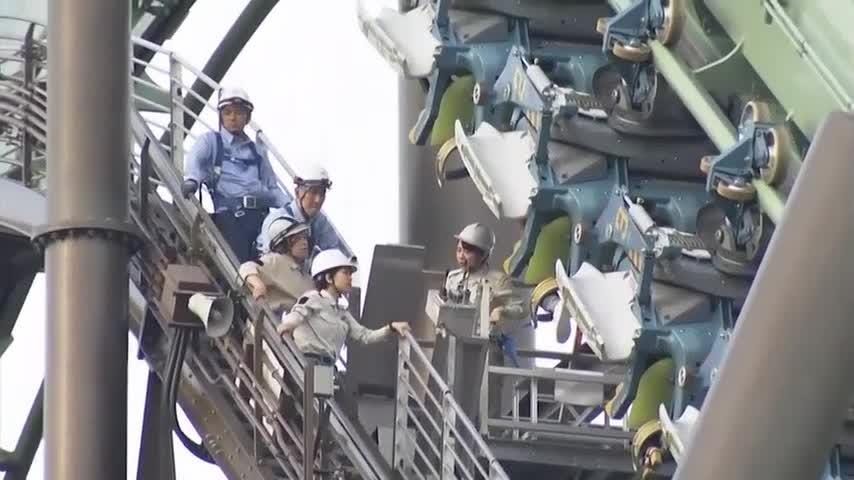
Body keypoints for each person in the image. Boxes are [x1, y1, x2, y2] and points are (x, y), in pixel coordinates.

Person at [181, 86, 290, 262]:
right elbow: (196, 162)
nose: (232, 117)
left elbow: (272, 187)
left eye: (239, 113)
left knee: (271, 263)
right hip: (231, 217)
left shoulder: (258, 152)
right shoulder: (211, 141)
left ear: (247, 117)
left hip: (261, 217)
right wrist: (192, 180)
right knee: (242, 264)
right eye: (227, 112)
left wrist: (292, 208)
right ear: (221, 115)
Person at [278, 249, 409, 358]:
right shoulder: (313, 298)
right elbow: (297, 314)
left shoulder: (342, 313)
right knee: (310, 389)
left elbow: (364, 336)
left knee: (321, 389)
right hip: (306, 364)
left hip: (326, 367)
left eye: (350, 273)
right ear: (329, 278)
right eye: (345, 273)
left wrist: (390, 328)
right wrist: (287, 326)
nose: (350, 277)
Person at [258, 164, 348, 260]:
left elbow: (334, 251)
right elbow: (269, 261)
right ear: (297, 193)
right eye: (313, 192)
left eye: (322, 193)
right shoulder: (277, 220)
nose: (318, 200)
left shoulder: (319, 221)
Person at [238, 216, 313, 315]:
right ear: (283, 243)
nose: (304, 242)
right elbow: (247, 267)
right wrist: (258, 285)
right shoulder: (276, 260)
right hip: (273, 323)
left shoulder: (306, 274)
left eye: (304, 237)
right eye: (297, 238)